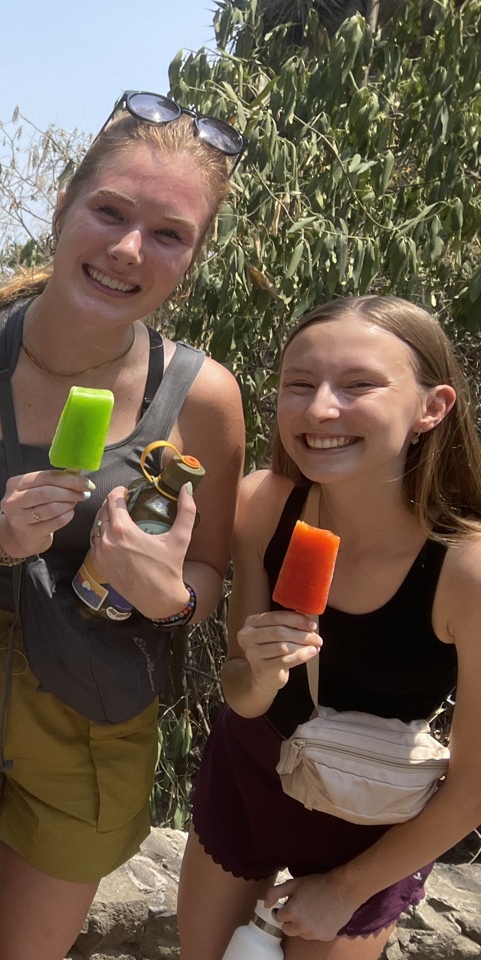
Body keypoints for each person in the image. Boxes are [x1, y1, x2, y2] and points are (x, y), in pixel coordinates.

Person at [0, 91, 247, 959]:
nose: (129, 249)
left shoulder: (202, 397)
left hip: (95, 715)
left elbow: (208, 581)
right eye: (110, 212)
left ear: (192, 259)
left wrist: (167, 593)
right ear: (64, 208)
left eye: (168, 234)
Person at [177, 295, 481, 958]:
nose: (319, 410)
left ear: (432, 408)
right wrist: (258, 671)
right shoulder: (263, 506)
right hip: (252, 773)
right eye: (299, 385)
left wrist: (347, 888)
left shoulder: (468, 572)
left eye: (358, 385)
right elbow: (240, 694)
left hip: (369, 819)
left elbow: (474, 786)